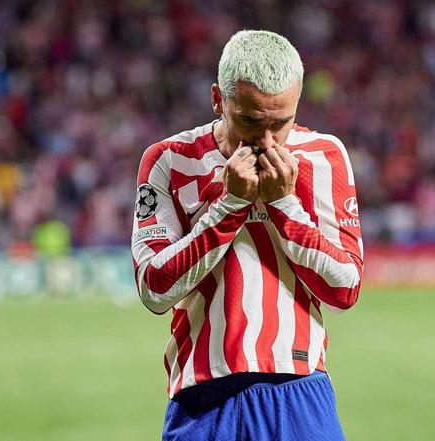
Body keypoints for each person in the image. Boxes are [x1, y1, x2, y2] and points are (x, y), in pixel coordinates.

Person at [131, 30, 363, 441]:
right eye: (250, 121)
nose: (266, 140)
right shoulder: (169, 160)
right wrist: (230, 204)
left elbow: (345, 290)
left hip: (299, 388)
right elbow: (154, 290)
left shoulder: (324, 156)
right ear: (218, 99)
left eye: (281, 123)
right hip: (204, 396)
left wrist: (284, 205)